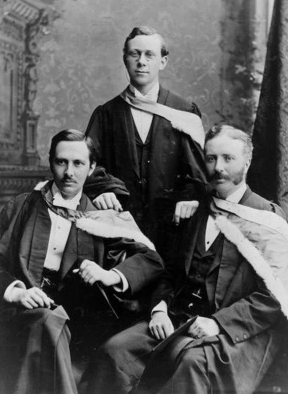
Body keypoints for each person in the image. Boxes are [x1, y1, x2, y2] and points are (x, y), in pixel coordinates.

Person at [85, 124, 288, 394]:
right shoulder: (197, 209)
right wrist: (160, 308)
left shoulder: (266, 218)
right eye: (211, 158)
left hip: (234, 330)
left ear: (247, 160)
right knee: (114, 352)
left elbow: (274, 296)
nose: (218, 167)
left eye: (228, 158)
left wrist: (217, 323)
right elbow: (171, 272)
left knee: (191, 364)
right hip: (178, 317)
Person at [0, 129, 164, 394]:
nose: (69, 172)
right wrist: (15, 292)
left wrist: (110, 275)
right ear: (51, 162)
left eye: (78, 164)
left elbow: (151, 260)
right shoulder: (21, 206)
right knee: (46, 320)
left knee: (52, 320)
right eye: (61, 162)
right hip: (18, 312)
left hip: (77, 319)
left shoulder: (100, 216)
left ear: (92, 167)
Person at [84, 26, 208, 252]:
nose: (141, 61)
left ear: (163, 61)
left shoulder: (184, 111)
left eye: (149, 55)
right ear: (125, 59)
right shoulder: (107, 113)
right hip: (121, 226)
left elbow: (200, 173)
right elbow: (86, 164)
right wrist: (103, 189)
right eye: (134, 54)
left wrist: (190, 198)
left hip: (174, 228)